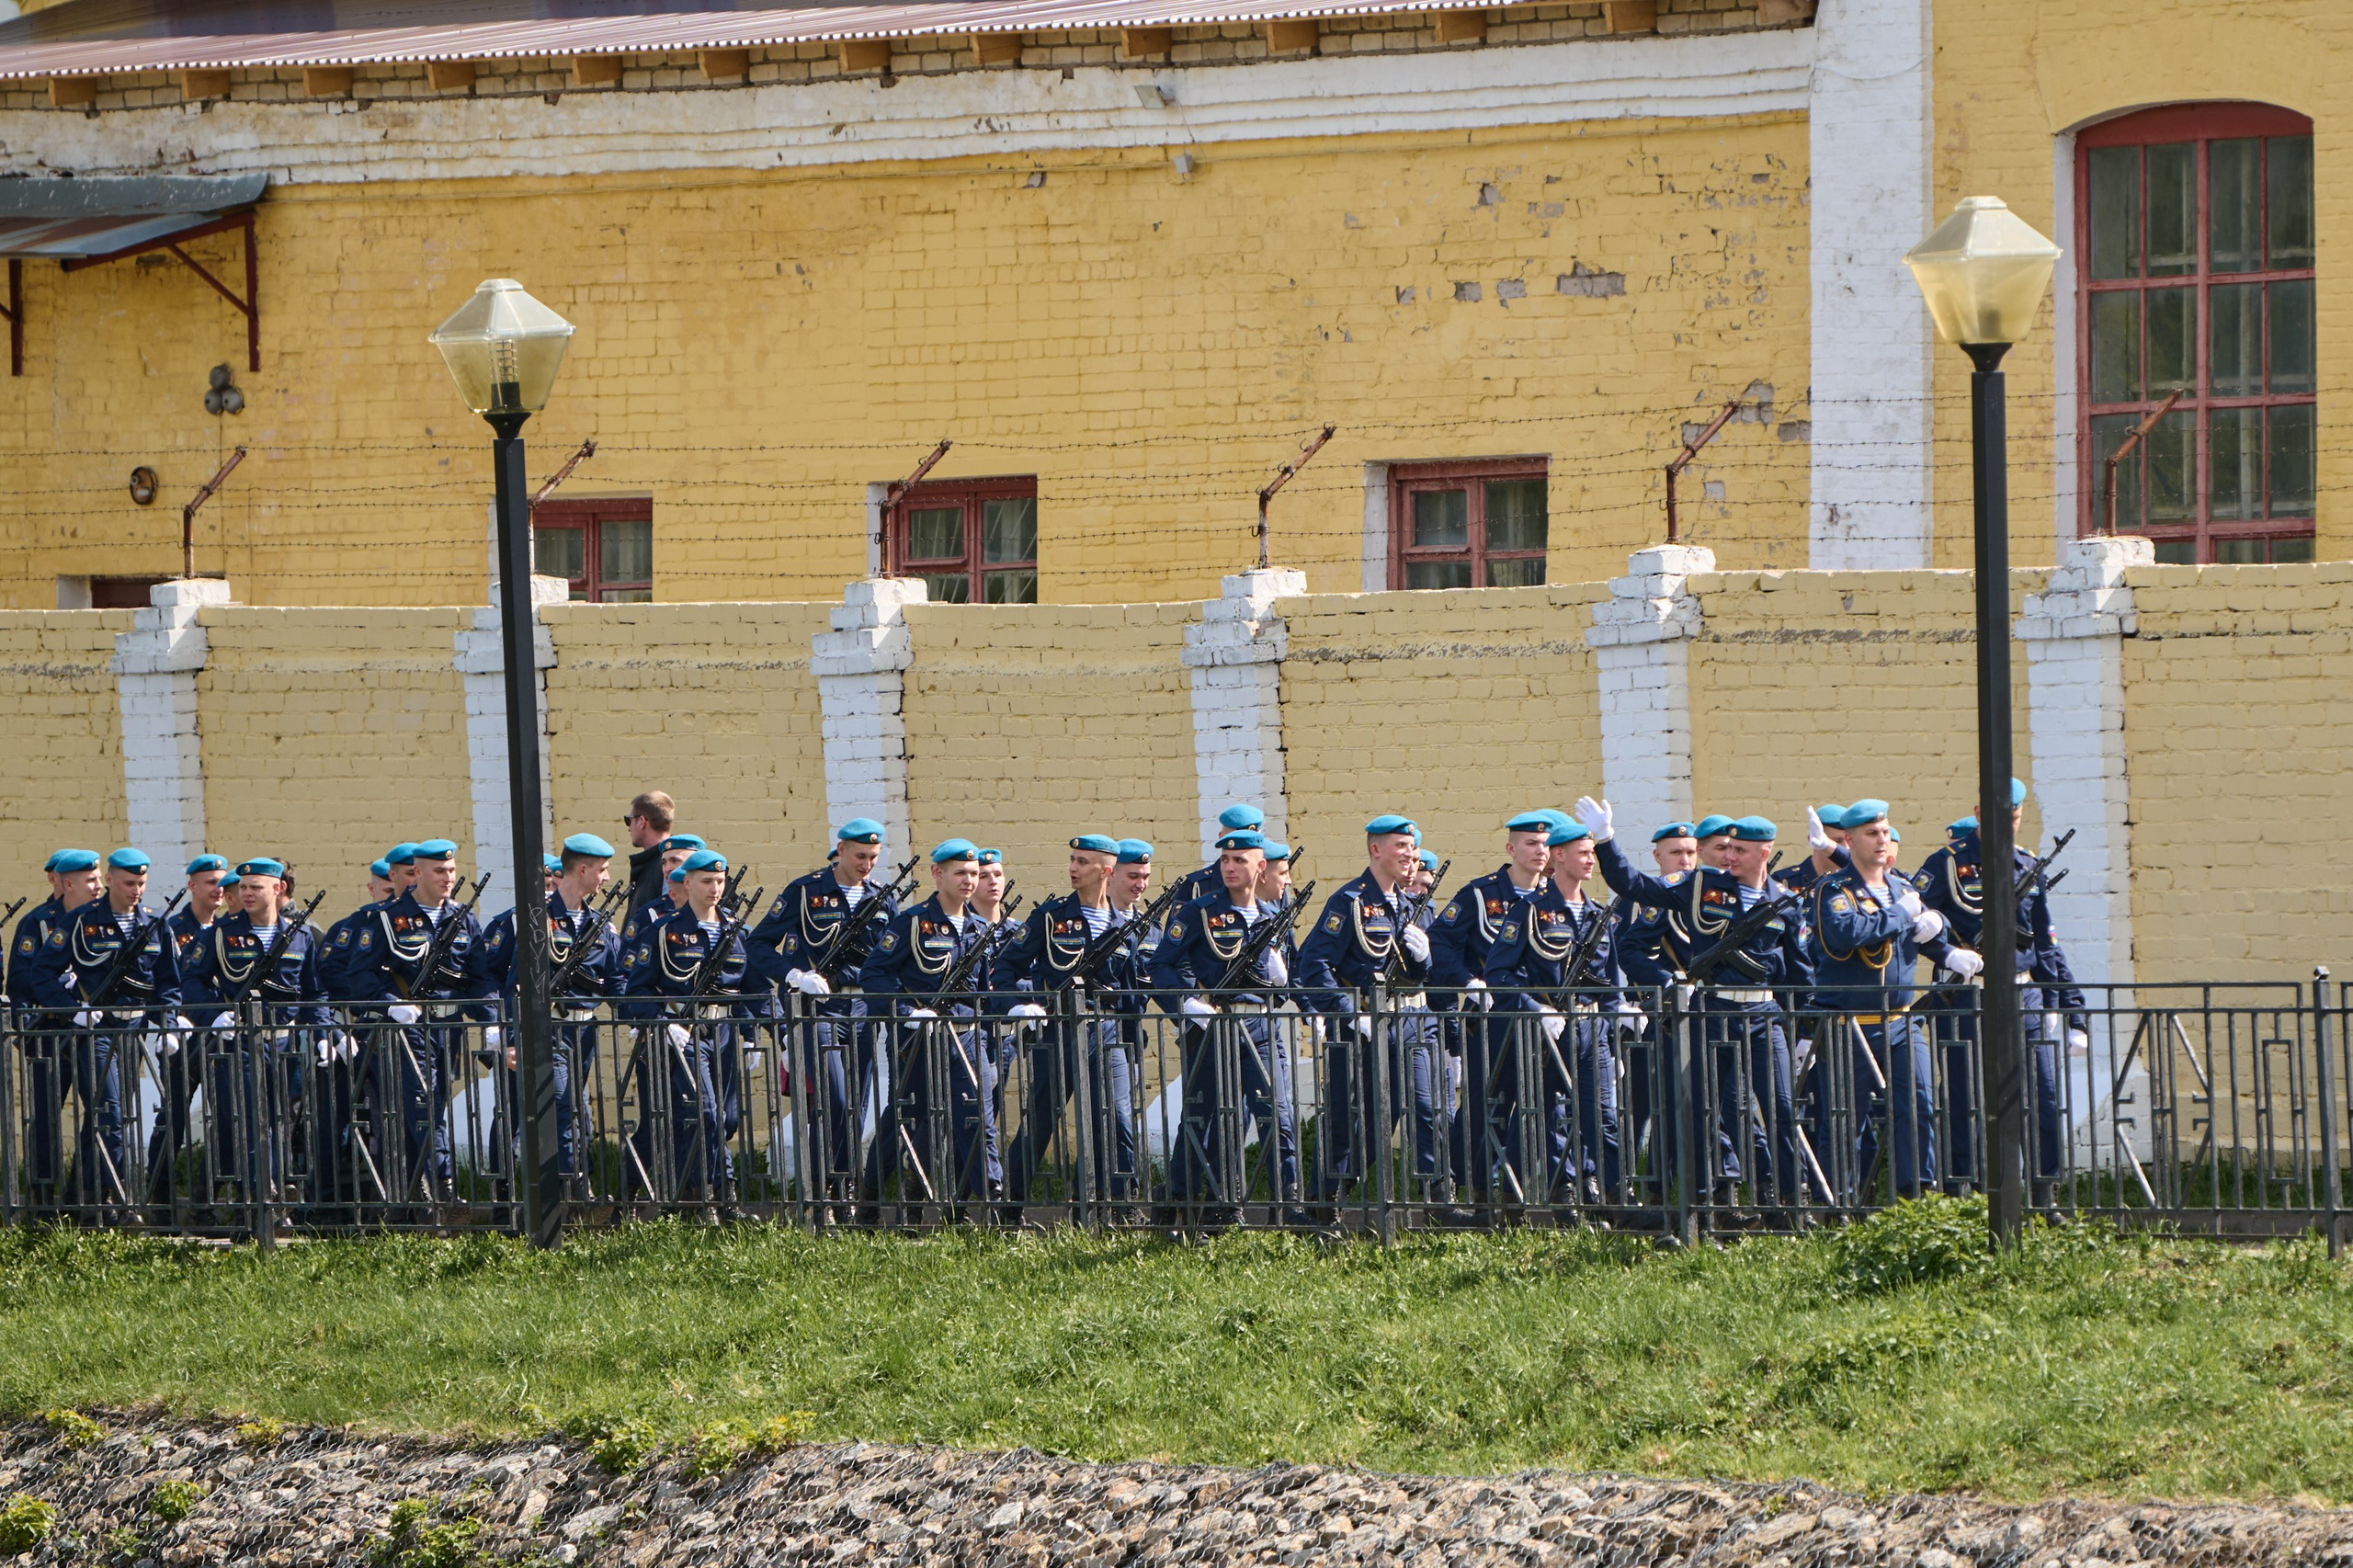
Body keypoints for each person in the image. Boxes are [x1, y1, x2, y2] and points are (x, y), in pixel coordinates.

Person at [1583, 799, 1811, 1209]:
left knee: (1780, 1111)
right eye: (1726, 848)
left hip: (1763, 1016)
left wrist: (1807, 1033)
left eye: (1737, 850)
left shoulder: (1785, 902)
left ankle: (1790, 1202)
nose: (1728, 856)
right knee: (1704, 1112)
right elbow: (1636, 885)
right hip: (1713, 1012)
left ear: (1764, 852)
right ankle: (1703, 1207)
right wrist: (1605, 839)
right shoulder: (1700, 886)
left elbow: (1801, 975)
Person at [1914, 779, 2087, 1205]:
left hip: (2022, 997)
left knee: (2042, 1094)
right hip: (1967, 997)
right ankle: (1963, 1193)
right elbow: (1916, 923)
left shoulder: (2027, 865)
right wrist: (1948, 953)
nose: (2007, 820)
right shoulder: (1946, 864)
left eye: (2013, 813)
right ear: (1977, 812)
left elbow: (2045, 945)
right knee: (1963, 1098)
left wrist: (2073, 1014)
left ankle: (2044, 1197)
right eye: (1997, 812)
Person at [1810, 801, 1980, 1202]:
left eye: (1885, 832)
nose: (1882, 840)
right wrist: (1904, 916)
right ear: (1849, 841)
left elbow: (1922, 935)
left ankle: (1916, 1195)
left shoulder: (1902, 887)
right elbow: (1846, 935)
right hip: (1850, 1023)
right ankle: (1838, 1203)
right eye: (1872, 834)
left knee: (1918, 1105)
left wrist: (1946, 950)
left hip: (1901, 1022)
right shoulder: (1833, 891)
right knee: (1844, 1118)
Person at [1148, 828, 1302, 1226]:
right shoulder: (1200, 911)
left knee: (1277, 1114)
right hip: (1214, 1025)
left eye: (1240, 860)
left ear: (1260, 867)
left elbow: (1288, 976)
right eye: (1225, 860)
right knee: (1205, 1118)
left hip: (1260, 1026)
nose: (1230, 866)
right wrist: (1187, 1005)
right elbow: (1161, 964)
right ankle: (1185, 1205)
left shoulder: (1271, 916)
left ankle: (1288, 1207)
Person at [749, 818, 901, 1210]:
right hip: (820, 1009)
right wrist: (795, 976)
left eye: (873, 856)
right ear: (842, 849)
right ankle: (825, 1185)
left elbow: (889, 958)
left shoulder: (881, 898)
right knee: (834, 1097)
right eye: (860, 855)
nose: (866, 864)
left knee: (858, 1101)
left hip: (862, 1009)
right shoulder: (806, 891)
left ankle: (841, 1189)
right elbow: (759, 944)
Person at [341, 839, 494, 1207]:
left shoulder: (463, 919)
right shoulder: (386, 919)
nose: (447, 877)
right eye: (439, 871)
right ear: (419, 873)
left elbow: (480, 978)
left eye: (452, 870)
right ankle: (444, 1186)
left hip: (449, 1028)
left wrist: (491, 1020)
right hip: (408, 1030)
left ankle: (413, 1197)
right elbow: (358, 977)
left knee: (431, 1108)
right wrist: (390, 1004)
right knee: (422, 1104)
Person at [1482, 822, 1624, 1205]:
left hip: (1590, 1029)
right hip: (1549, 1030)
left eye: (1592, 852)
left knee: (1603, 1113)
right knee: (1547, 1113)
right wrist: (1536, 1009)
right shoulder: (1530, 911)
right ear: (1559, 855)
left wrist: (1616, 1027)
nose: (1590, 860)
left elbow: (1608, 983)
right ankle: (1555, 1191)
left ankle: (1611, 1193)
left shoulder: (1597, 914)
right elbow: (1499, 973)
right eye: (1582, 852)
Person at [858, 839, 1006, 1211]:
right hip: (918, 1040)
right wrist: (907, 1013)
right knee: (905, 1118)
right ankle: (871, 1199)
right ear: (937, 874)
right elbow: (874, 973)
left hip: (966, 1037)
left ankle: (992, 1204)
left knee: (978, 1120)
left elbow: (984, 989)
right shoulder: (912, 923)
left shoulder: (977, 927)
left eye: (974, 873)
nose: (969, 880)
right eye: (961, 873)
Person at [1295, 815, 1432, 1207]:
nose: (1410, 854)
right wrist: (1348, 1011)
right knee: (1348, 1119)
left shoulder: (1406, 903)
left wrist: (1423, 960)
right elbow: (1313, 965)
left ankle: (1436, 1198)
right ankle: (1326, 1202)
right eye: (1400, 847)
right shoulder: (1349, 902)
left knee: (1420, 1109)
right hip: (1362, 1026)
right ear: (1376, 850)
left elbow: (1413, 974)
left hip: (1406, 1023)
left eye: (1412, 847)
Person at [187, 858, 335, 1215]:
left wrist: (324, 1035)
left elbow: (314, 993)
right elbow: (192, 982)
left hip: (284, 1042)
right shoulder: (221, 934)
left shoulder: (298, 935)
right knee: (251, 1117)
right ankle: (261, 1198)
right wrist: (213, 1014)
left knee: (281, 1120)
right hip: (240, 1039)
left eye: (256, 886)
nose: (245, 893)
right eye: (243, 887)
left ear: (278, 889)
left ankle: (272, 1194)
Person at [999, 833, 1134, 1207]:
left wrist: (1132, 1042)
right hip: (1057, 1029)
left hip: (1106, 1033)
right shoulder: (1051, 917)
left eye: (1082, 862)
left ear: (1106, 870)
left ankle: (1110, 1206)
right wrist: (1021, 1006)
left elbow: (1130, 991)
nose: (1073, 868)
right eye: (1072, 860)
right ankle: (1008, 1207)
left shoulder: (1123, 925)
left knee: (1115, 1119)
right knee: (1042, 1119)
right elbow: (1006, 966)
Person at [482, 833, 621, 1194]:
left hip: (582, 1034)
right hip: (546, 1031)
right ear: (584, 869)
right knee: (562, 1108)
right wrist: (511, 1037)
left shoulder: (600, 925)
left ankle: (562, 1191)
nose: (606, 878)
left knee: (574, 1110)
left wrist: (649, 1015)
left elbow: (616, 980)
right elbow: (515, 985)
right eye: (603, 870)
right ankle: (562, 1192)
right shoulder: (534, 921)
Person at [51, 848, 185, 1215]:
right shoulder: (80, 921)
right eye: (128, 882)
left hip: (135, 1028)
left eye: (141, 883)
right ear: (109, 879)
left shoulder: (156, 924)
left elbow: (168, 985)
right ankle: (123, 1199)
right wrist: (72, 1011)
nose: (136, 890)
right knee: (111, 1111)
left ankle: (90, 1196)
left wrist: (168, 1025)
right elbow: (43, 973)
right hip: (97, 1030)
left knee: (120, 1113)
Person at [620, 847, 756, 1209]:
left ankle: (715, 1198)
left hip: (723, 1031)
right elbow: (637, 991)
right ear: (688, 882)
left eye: (720, 881)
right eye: (707, 881)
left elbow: (751, 988)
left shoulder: (736, 931)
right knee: (705, 1113)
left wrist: (756, 1035)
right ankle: (707, 1199)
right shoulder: (663, 931)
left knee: (724, 1119)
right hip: (684, 1034)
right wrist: (663, 1024)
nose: (715, 888)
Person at [1431, 812, 1553, 1200]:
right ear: (1511, 848)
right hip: (1491, 1017)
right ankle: (1472, 1186)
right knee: (1488, 1105)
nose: (1540, 850)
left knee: (1540, 1103)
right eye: (1531, 843)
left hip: (1543, 1018)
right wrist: (1468, 982)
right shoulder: (1482, 894)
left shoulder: (1554, 896)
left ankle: (1519, 1189)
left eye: (1546, 844)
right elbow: (1440, 940)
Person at [147, 853, 228, 1210]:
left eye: (223, 883)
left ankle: (205, 1201)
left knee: (224, 1117)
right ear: (192, 885)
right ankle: (159, 1199)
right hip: (181, 1037)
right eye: (210, 882)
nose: (218, 890)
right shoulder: (172, 929)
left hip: (217, 1035)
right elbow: (159, 980)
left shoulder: (228, 932)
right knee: (172, 1117)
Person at [1174, 804, 1265, 905]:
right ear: (1221, 837)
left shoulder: (1271, 885)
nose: (1242, 847)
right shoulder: (1197, 886)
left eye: (1250, 841)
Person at [622, 790, 678, 914]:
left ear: (641, 821)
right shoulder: (653, 861)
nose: (628, 828)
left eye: (629, 820)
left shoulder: (671, 863)